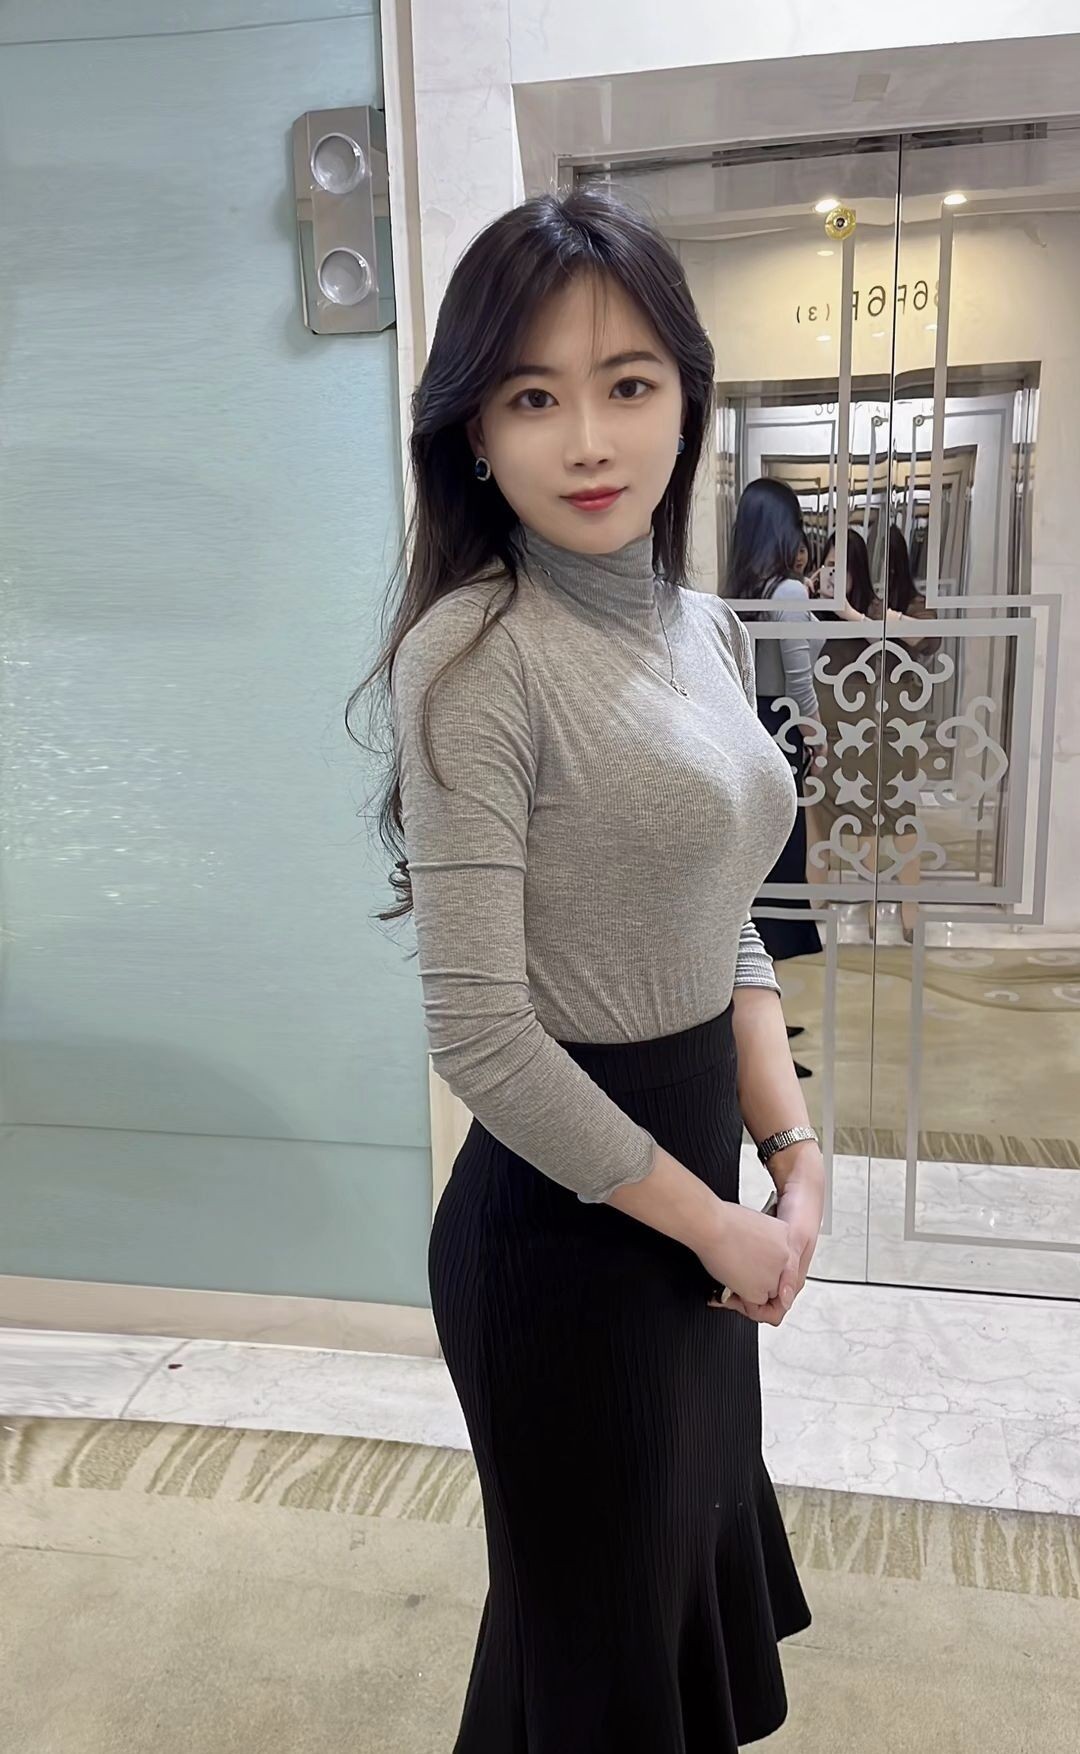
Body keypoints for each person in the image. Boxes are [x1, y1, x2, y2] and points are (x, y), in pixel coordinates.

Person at [349, 187, 821, 1753]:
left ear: (687, 398)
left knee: (659, 1615)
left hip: (696, 1208)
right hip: (562, 1245)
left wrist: (793, 1152)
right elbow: (483, 1037)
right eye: (533, 397)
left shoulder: (707, 629)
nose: (590, 438)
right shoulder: (474, 658)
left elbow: (725, 909)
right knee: (596, 1660)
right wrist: (721, 1227)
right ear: (475, 435)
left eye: (628, 384)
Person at [725, 480, 824, 1065]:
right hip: (783, 727)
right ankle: (765, 1041)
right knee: (781, 878)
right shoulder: (786, 590)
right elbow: (799, 673)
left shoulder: (739, 592)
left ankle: (763, 1027)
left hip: (750, 728)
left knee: (756, 885)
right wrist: (817, 734)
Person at [810, 523, 939, 940]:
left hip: (886, 728)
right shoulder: (818, 605)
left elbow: (926, 638)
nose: (835, 574)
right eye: (829, 566)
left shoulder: (892, 606)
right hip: (832, 729)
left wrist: (856, 612)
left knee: (896, 813)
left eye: (844, 567)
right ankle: (820, 904)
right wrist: (811, 595)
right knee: (821, 807)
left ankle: (906, 910)